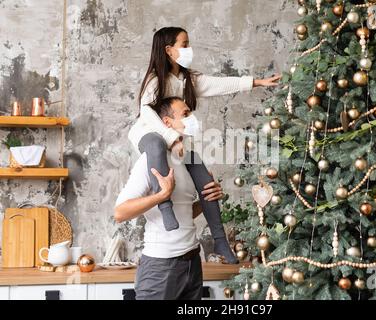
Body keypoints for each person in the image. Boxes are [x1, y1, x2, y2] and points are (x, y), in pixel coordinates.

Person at [128, 26, 280, 264]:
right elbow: (146, 114)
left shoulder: (188, 79)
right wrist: (172, 138)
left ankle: (220, 240)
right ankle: (165, 207)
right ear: (169, 50)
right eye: (184, 44)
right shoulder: (155, 81)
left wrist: (257, 82)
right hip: (149, 133)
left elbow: (219, 84)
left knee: (204, 179)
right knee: (157, 146)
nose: (189, 49)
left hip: (175, 140)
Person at [115, 97, 222, 300]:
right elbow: (120, 212)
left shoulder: (187, 160)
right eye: (185, 114)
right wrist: (161, 195)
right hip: (161, 266)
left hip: (192, 261)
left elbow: (185, 213)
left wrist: (208, 198)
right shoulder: (150, 160)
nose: (192, 118)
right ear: (167, 123)